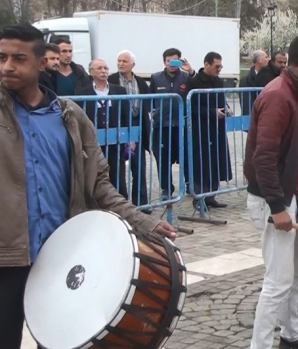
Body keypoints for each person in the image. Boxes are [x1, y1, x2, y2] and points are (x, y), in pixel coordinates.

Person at [0, 23, 176, 349]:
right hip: (6, 260)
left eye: (18, 58)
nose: (7, 66)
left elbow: (99, 186)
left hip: (60, 256)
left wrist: (144, 222)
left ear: (42, 63)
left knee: (59, 344)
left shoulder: (72, 118)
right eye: (2, 57)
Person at [244, 33, 298, 349]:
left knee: (294, 271)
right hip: (272, 201)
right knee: (278, 281)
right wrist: (278, 207)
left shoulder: (292, 92)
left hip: (282, 196)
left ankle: (291, 336)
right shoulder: (279, 96)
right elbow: (263, 157)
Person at [78, 58, 131, 199]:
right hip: (93, 141)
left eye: (106, 68)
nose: (103, 71)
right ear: (91, 72)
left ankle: (121, 205)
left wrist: (129, 138)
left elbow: (126, 115)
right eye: (99, 68)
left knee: (118, 175)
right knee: (94, 174)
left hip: (115, 140)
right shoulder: (83, 92)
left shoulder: (119, 90)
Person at [187, 52, 232, 209]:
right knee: (202, 164)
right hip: (201, 129)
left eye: (221, 66)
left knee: (216, 162)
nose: (219, 69)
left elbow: (221, 99)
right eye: (216, 66)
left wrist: (226, 108)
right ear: (206, 64)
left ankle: (211, 195)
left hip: (217, 129)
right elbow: (191, 107)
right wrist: (212, 112)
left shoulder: (218, 81)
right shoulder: (193, 82)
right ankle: (199, 197)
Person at [109, 50, 152, 207]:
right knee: (118, 168)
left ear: (133, 64)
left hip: (137, 125)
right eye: (119, 61)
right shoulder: (111, 80)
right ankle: (121, 203)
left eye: (124, 61)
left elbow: (147, 103)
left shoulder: (140, 82)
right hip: (118, 125)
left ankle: (141, 203)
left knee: (139, 166)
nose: (121, 63)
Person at [150, 48, 191, 199]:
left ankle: (190, 184)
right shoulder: (155, 78)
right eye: (168, 61)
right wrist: (154, 116)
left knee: (186, 156)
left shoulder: (187, 77)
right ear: (164, 62)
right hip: (162, 125)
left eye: (175, 61)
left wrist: (191, 71)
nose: (171, 64)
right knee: (163, 158)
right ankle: (166, 189)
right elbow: (150, 100)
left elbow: (199, 86)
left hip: (182, 125)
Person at [240, 50, 269, 116]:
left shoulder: (269, 77)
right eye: (266, 57)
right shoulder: (246, 80)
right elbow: (246, 104)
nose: (268, 59)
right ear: (259, 60)